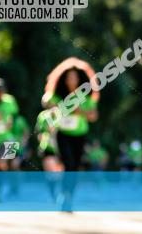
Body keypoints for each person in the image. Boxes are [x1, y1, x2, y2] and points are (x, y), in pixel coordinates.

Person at [42, 63, 98, 211]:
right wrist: (53, 107)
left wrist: (81, 112)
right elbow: (46, 101)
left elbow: (93, 116)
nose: (72, 80)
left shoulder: (85, 95)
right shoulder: (58, 95)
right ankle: (64, 195)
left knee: (74, 167)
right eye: (69, 77)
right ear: (63, 79)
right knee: (68, 164)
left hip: (79, 135)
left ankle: (68, 196)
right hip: (63, 134)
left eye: (75, 77)